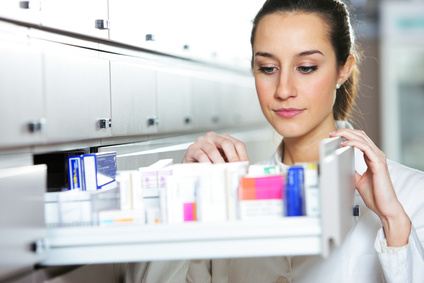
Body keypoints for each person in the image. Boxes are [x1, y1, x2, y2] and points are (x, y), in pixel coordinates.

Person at [179, 0, 424, 282]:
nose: (283, 90)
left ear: (343, 70)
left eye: (306, 67)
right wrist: (187, 193)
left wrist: (393, 220)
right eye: (268, 68)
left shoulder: (412, 196)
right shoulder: (227, 193)